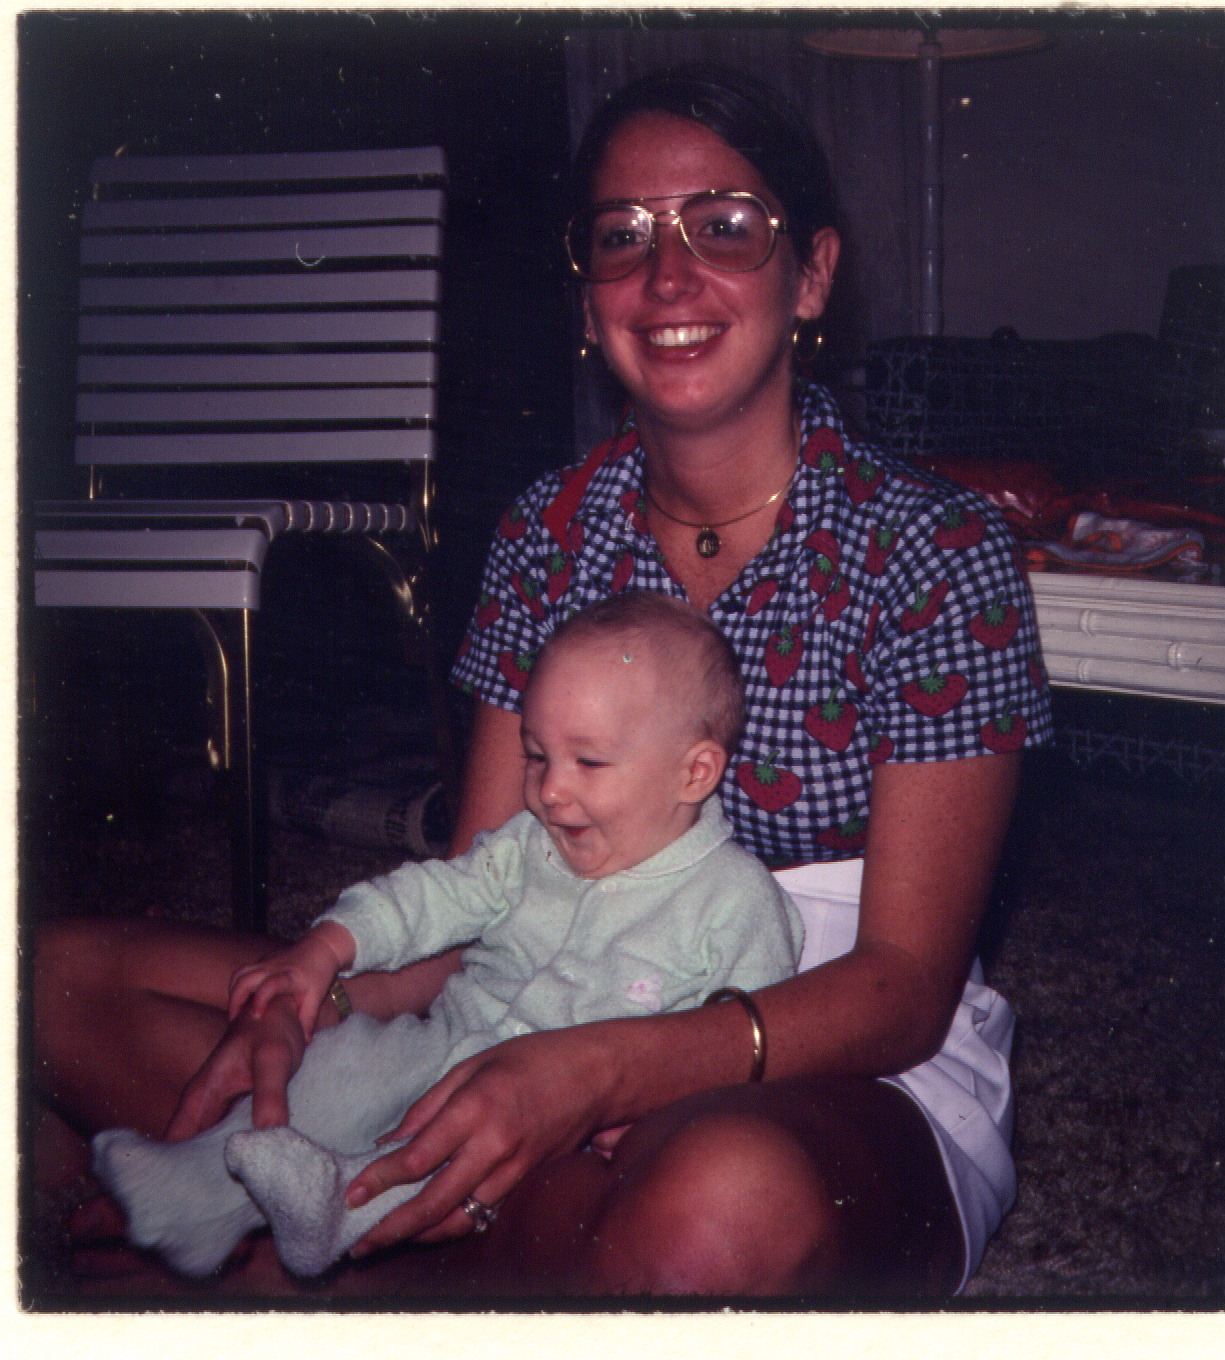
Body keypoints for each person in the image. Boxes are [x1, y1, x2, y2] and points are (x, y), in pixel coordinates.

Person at [34, 62, 1052, 1298]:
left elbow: (901, 989)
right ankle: (401, 1228)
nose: (667, 276)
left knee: (715, 1208)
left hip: (819, 1050)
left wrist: (599, 1069)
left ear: (812, 273)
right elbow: (479, 896)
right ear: (586, 296)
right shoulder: (546, 532)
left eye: (725, 226)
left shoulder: (938, 548)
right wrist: (309, 992)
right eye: (622, 237)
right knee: (56, 980)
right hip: (529, 996)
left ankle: (307, 1255)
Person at [87, 592, 801, 1280]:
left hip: (564, 1123)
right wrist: (327, 946)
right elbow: (432, 896)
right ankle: (194, 1186)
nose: (550, 791)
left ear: (694, 773)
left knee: (443, 1153)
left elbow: (743, 1057)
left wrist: (658, 1114)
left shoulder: (738, 900)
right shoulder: (526, 846)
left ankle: (335, 1212)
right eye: (536, 755)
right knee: (340, 1067)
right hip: (444, 1044)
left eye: (588, 762)